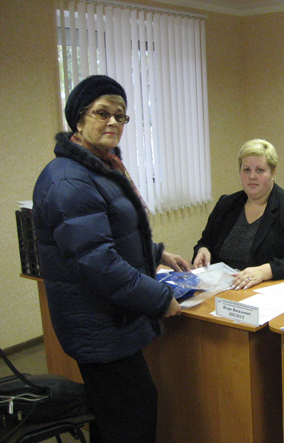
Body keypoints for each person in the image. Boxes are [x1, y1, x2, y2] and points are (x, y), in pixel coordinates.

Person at [32, 75, 191, 443]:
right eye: (102, 113)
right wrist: (159, 299)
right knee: (133, 412)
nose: (113, 123)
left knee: (112, 414)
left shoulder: (100, 166)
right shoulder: (70, 180)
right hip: (98, 325)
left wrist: (157, 253)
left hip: (109, 319)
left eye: (121, 116)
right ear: (79, 118)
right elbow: (98, 262)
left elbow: (113, 233)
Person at [192, 139, 284, 289]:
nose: (252, 176)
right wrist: (203, 250)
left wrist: (265, 271)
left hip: (273, 290)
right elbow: (205, 242)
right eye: (246, 170)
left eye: (259, 170)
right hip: (226, 288)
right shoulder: (226, 204)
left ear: (273, 173)